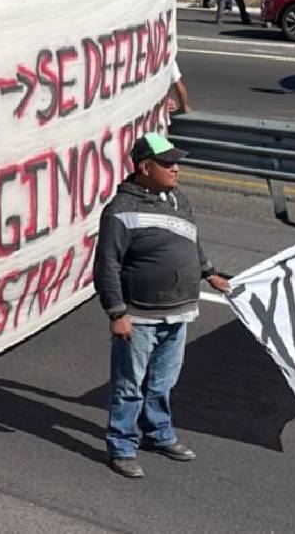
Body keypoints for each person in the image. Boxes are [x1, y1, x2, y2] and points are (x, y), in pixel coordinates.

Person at [95, 132, 231, 479]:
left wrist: (210, 273)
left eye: (176, 162)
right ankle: (122, 446)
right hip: (139, 316)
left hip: (180, 311)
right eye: (168, 163)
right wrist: (117, 313)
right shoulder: (120, 211)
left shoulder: (178, 200)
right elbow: (107, 265)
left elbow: (191, 241)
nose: (176, 169)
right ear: (145, 167)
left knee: (163, 382)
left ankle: (158, 435)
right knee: (129, 386)